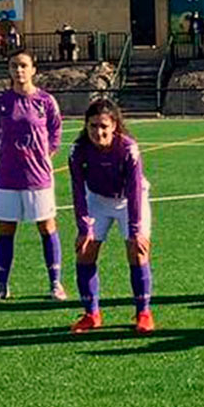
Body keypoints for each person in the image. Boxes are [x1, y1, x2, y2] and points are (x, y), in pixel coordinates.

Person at [68, 99, 154, 334]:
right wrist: (84, 227)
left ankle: (143, 313)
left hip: (129, 201)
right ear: (86, 126)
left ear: (114, 125)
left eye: (104, 126)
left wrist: (136, 230)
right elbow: (77, 191)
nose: (98, 132)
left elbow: (135, 190)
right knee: (85, 251)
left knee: (138, 251)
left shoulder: (128, 149)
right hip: (98, 199)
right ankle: (91, 314)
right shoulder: (78, 151)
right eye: (93, 126)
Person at [0, 50, 65, 302]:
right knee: (6, 229)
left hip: (38, 177)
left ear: (33, 69)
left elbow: (55, 132)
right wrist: (7, 155)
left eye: (23, 66)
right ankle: (1, 285)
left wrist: (44, 155)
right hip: (8, 176)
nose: (19, 70)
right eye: (14, 66)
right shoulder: (0, 102)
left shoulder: (46, 101)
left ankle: (55, 284)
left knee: (47, 227)